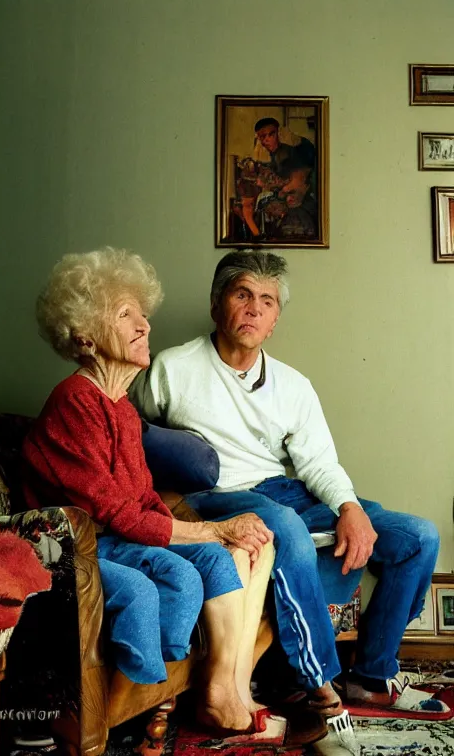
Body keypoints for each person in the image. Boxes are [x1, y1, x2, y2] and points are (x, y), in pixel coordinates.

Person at [22, 247, 322, 743]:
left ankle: (229, 692)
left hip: (115, 535)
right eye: (125, 315)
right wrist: (209, 527)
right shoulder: (76, 400)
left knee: (224, 555)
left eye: (144, 314)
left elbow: (141, 495)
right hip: (77, 547)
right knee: (183, 566)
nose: (144, 326)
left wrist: (205, 533)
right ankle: (183, 702)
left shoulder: (119, 406)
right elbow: (114, 510)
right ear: (85, 334)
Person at [130, 249, 447, 717]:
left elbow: (318, 462)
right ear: (218, 303)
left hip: (282, 490)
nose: (255, 308)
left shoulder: (293, 385)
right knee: (285, 526)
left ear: (275, 318)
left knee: (418, 536)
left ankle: (371, 678)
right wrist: (163, 498)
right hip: (214, 497)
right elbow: (127, 434)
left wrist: (349, 508)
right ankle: (316, 679)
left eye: (268, 300)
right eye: (243, 294)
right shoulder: (171, 370)